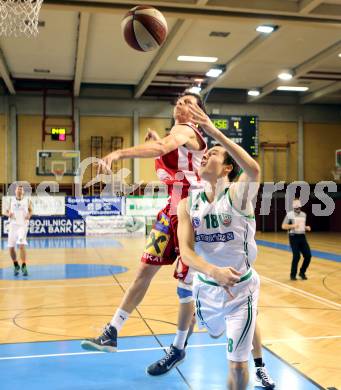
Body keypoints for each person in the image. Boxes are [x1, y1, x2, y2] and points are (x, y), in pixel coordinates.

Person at [81, 92, 208, 352]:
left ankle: (179, 347)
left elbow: (164, 148)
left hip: (193, 215)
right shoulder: (176, 136)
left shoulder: (187, 129)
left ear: (197, 113)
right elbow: (165, 150)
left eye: (188, 103)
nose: (180, 105)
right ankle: (112, 331)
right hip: (169, 213)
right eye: (179, 101)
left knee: (186, 288)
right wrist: (157, 143)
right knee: (143, 273)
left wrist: (119, 153)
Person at [169, 101, 269, 389]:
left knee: (237, 367)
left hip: (241, 289)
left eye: (212, 154)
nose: (204, 156)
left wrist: (213, 131)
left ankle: (255, 359)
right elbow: (186, 252)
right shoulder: (187, 204)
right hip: (206, 288)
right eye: (204, 154)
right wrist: (213, 270)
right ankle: (229, 332)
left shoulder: (238, 195)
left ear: (227, 168)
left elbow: (253, 169)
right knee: (213, 333)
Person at [5, 185, 33, 276]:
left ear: (23, 192)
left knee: (21, 245)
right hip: (13, 226)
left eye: (21, 189)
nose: (20, 190)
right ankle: (16, 264)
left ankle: (24, 265)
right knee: (11, 247)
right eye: (18, 189)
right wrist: (9, 213)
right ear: (15, 191)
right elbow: (6, 211)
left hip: (22, 226)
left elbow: (31, 210)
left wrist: (29, 215)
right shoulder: (11, 200)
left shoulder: (27, 200)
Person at [282, 199, 312, 280]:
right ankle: (293, 275)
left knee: (308, 256)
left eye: (299, 207)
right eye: (296, 207)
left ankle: (302, 272)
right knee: (296, 256)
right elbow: (283, 226)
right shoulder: (289, 215)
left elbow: (302, 226)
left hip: (302, 237)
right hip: (293, 237)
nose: (298, 208)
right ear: (293, 207)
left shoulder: (303, 215)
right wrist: (293, 226)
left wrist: (306, 227)